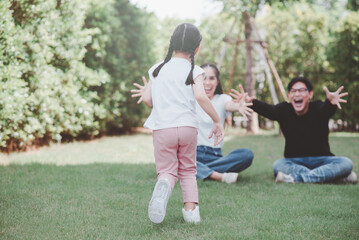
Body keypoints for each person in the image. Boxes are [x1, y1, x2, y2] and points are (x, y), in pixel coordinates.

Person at [132, 23, 224, 224]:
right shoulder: (196, 70)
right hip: (188, 128)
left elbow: (148, 101)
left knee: (167, 170)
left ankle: (164, 182)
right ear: (197, 48)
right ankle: (191, 214)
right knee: (188, 170)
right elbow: (200, 96)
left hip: (163, 128)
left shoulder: (156, 69)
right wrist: (217, 120)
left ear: (171, 44)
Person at [234, 76, 357, 183]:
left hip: (323, 160)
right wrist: (252, 103)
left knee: (346, 163)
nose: (297, 94)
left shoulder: (318, 108)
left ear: (310, 94)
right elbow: (268, 110)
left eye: (302, 90)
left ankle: (295, 179)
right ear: (289, 95)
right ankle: (332, 177)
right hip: (294, 161)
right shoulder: (284, 110)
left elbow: (327, 109)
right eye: (293, 91)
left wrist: (331, 103)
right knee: (279, 165)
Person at [195, 63, 254, 184]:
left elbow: (230, 105)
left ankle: (199, 171)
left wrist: (239, 106)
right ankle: (218, 176)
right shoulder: (191, 99)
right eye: (203, 78)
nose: (207, 83)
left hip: (215, 156)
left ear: (217, 81)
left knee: (247, 154)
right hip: (193, 154)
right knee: (175, 155)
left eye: (212, 78)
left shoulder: (223, 99)